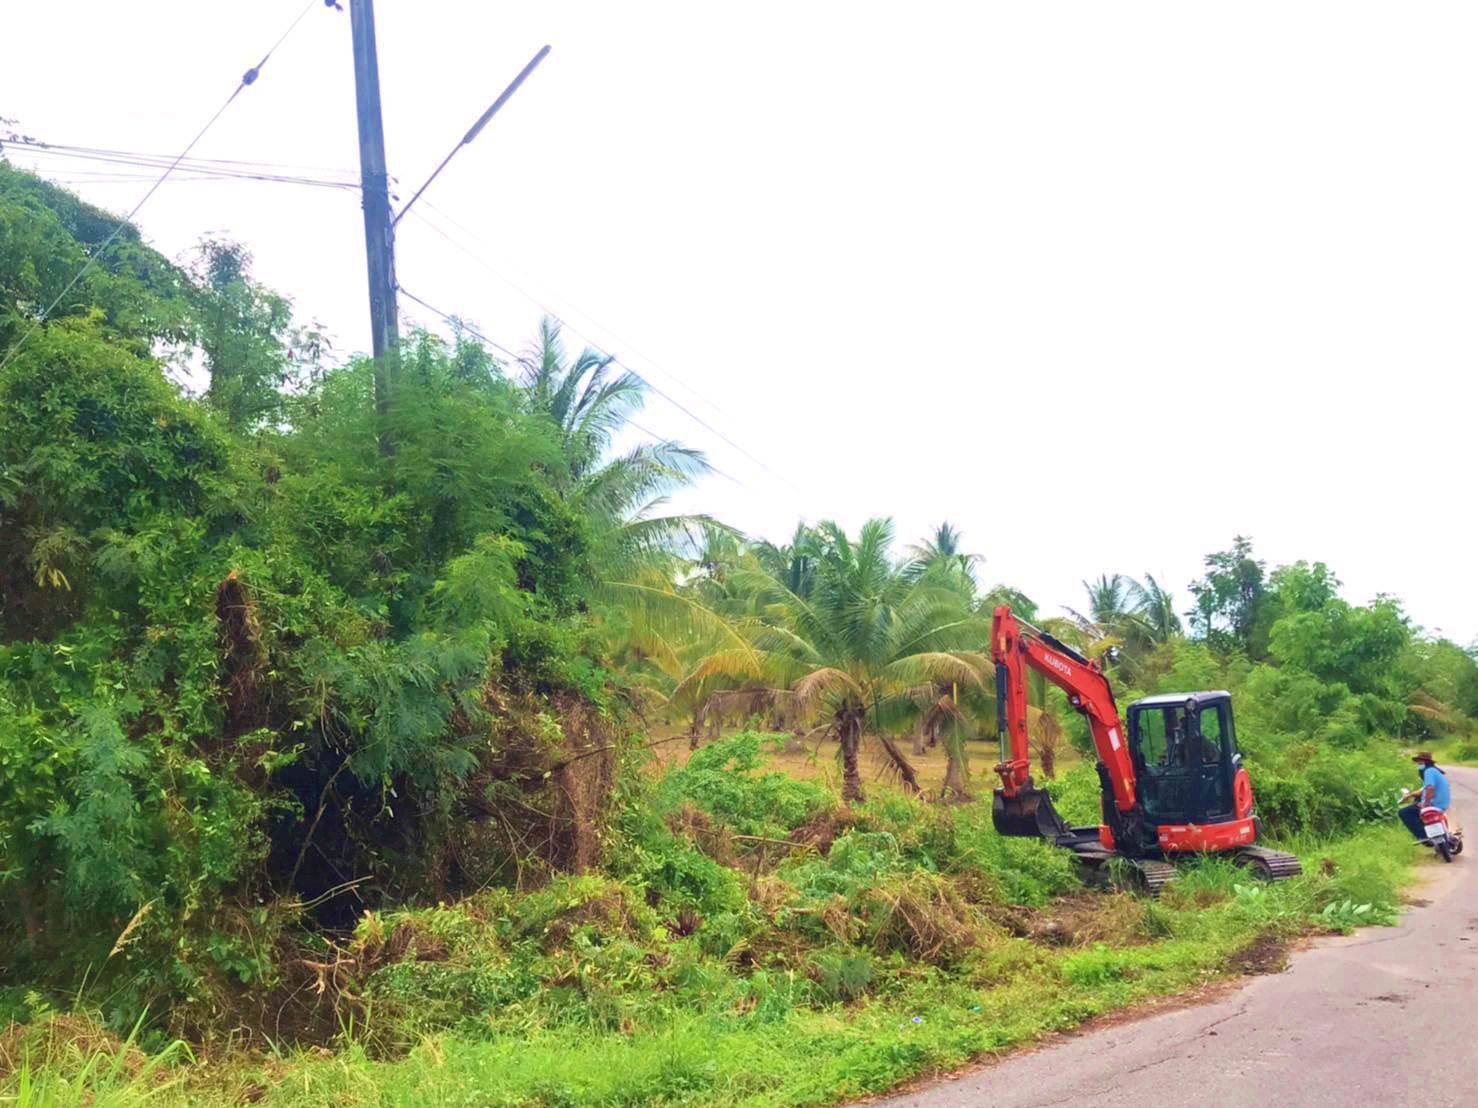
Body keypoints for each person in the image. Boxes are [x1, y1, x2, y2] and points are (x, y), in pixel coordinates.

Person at [1399, 751, 1451, 841]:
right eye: (1418, 762)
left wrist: (1426, 804)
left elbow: (1430, 788)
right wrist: (1409, 795)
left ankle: (1424, 836)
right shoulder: (1435, 772)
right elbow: (1423, 790)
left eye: (1421, 762)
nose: (1419, 764)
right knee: (1415, 808)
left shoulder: (1428, 771)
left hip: (1433, 804)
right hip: (1442, 804)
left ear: (1426, 762)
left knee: (1404, 812)